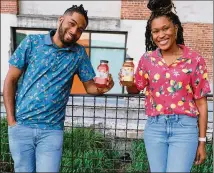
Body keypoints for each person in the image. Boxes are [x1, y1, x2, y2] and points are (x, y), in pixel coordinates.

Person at [3, 4, 114, 173]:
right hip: (22, 127)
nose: (74, 31)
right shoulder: (32, 43)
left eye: (80, 29)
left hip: (52, 131)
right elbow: (10, 80)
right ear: (61, 20)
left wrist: (104, 87)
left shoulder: (78, 53)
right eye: (72, 23)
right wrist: (11, 121)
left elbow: (90, 87)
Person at [119, 0, 211, 172]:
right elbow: (135, 89)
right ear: (151, 34)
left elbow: (201, 102)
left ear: (175, 28)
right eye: (155, 31)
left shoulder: (194, 59)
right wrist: (128, 83)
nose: (161, 35)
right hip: (155, 127)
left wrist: (202, 141)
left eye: (165, 28)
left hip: (184, 128)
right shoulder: (147, 60)